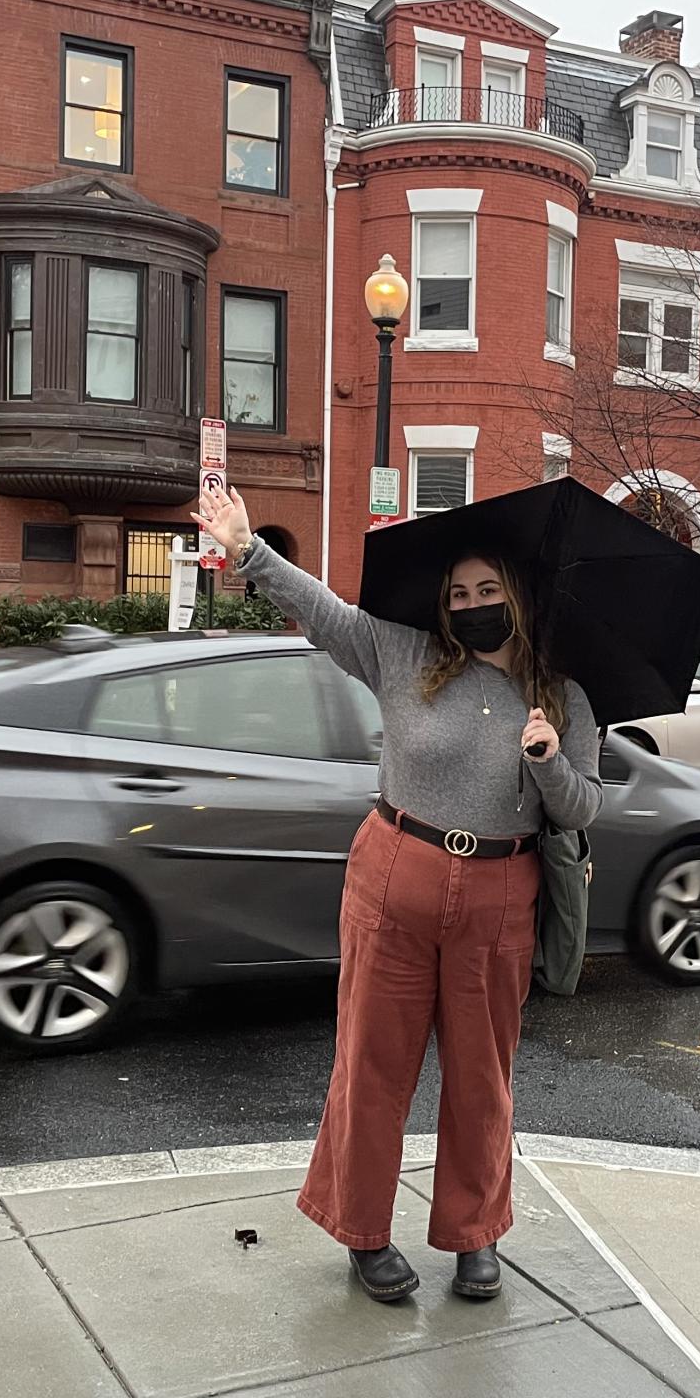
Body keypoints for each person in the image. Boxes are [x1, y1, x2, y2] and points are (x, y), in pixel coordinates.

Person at [189, 485, 602, 1303]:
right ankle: (362, 1231)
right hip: (394, 876)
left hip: (498, 893)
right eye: (460, 594)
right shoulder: (405, 654)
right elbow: (326, 612)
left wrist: (549, 758)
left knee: (483, 1075)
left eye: (488, 592)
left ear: (515, 597)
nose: (474, 606)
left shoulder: (564, 694)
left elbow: (585, 806)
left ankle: (473, 1234)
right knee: (373, 1064)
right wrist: (246, 548)